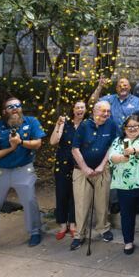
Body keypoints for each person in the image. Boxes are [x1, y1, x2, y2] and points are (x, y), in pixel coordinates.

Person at [0, 97, 45, 251]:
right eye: (10, 107)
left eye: (17, 105)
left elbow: (37, 143)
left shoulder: (31, 122)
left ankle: (34, 232)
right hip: (0, 171)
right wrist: (11, 148)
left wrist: (21, 142)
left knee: (29, 201)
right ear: (4, 111)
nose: (14, 108)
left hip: (23, 169)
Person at [69, 100, 117, 250]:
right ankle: (79, 234)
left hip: (102, 170)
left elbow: (113, 146)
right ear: (95, 111)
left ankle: (103, 228)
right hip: (82, 171)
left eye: (108, 111)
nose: (106, 114)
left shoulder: (111, 124)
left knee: (102, 202)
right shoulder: (84, 126)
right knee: (81, 204)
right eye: (103, 111)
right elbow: (75, 149)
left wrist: (102, 165)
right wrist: (84, 168)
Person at [108, 115, 139, 254]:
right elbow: (111, 156)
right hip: (125, 185)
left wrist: (133, 150)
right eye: (129, 126)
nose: (132, 129)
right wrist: (120, 158)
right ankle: (128, 241)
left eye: (136, 126)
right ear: (124, 128)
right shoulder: (118, 141)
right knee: (126, 214)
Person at [48, 101, 86, 241]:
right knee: (62, 193)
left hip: (79, 163)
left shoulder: (87, 125)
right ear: (73, 110)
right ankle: (63, 224)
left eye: (82, 107)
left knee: (76, 194)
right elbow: (53, 141)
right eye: (77, 107)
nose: (80, 109)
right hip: (63, 162)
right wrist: (58, 125)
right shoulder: (65, 123)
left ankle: (73, 223)